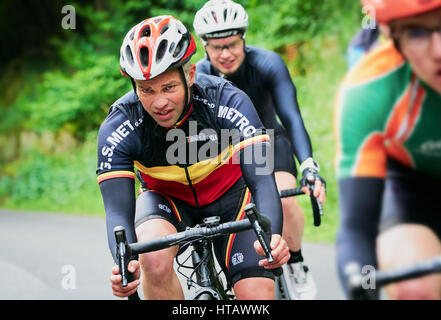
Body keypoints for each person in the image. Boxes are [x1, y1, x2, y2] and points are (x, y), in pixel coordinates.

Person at [96, 15, 290, 300]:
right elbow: (117, 213)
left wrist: (272, 236)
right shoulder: (120, 126)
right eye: (146, 90)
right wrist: (125, 265)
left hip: (232, 196)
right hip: (166, 200)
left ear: (189, 75)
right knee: (151, 258)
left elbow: (262, 179)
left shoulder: (227, 100)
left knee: (256, 294)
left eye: (169, 88)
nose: (159, 102)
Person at [193, 0, 326, 300]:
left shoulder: (267, 64)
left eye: (232, 44)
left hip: (268, 141)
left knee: (284, 198)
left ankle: (295, 260)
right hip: (224, 152)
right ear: (204, 47)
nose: (225, 54)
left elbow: (291, 117)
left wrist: (308, 165)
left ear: (243, 39)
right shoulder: (196, 77)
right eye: (217, 47)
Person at [335, 0, 441, 299]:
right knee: (414, 286)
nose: (438, 51)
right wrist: (365, 287)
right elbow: (358, 226)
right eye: (417, 33)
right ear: (393, 37)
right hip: (414, 190)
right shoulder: (369, 90)